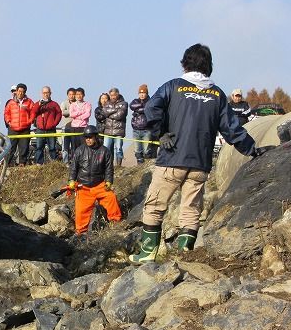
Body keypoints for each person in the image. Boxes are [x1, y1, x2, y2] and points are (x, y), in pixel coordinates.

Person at [129, 43, 269, 264]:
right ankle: (185, 254)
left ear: (185, 63)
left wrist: (160, 133)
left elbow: (150, 109)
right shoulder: (217, 94)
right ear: (209, 66)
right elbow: (232, 129)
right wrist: (253, 150)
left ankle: (147, 254)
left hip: (172, 157)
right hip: (200, 163)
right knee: (191, 209)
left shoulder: (173, 86)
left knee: (155, 205)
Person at [68, 126, 122, 234]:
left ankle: (116, 223)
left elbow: (109, 168)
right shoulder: (79, 150)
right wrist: (71, 180)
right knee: (81, 211)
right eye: (86, 137)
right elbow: (73, 167)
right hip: (83, 187)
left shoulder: (105, 151)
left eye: (90, 137)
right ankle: (81, 233)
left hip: (99, 185)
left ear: (96, 137)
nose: (88, 139)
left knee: (111, 198)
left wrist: (108, 181)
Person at [4, 83, 37, 166]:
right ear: (16, 91)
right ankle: (8, 164)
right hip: (13, 128)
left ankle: (22, 163)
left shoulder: (29, 102)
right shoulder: (11, 102)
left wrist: (30, 121)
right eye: (19, 91)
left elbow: (33, 112)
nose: (20, 93)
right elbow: (6, 113)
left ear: (25, 92)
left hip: (25, 128)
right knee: (11, 147)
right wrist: (9, 122)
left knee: (24, 147)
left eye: (22, 91)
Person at [33, 86, 62, 164]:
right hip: (40, 129)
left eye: (47, 92)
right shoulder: (37, 103)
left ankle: (54, 163)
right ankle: (39, 164)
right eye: (44, 93)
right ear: (41, 94)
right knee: (39, 147)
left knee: (52, 147)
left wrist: (54, 123)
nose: (46, 94)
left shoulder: (54, 104)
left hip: (51, 129)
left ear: (50, 93)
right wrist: (39, 105)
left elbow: (59, 114)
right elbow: (33, 112)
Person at [101, 87, 128, 166]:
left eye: (114, 95)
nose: (113, 97)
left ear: (118, 94)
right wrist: (116, 110)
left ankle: (119, 165)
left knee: (118, 148)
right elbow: (104, 112)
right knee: (106, 148)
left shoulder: (124, 103)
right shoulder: (107, 103)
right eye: (111, 95)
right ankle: (106, 165)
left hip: (119, 130)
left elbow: (121, 115)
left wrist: (110, 115)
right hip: (108, 130)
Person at [129, 84, 151, 164]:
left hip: (147, 129)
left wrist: (138, 109)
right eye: (140, 93)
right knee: (137, 150)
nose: (142, 95)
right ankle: (140, 166)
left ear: (146, 93)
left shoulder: (151, 101)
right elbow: (131, 106)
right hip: (136, 129)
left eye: (143, 93)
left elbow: (148, 109)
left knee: (146, 150)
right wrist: (142, 105)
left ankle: (147, 166)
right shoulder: (135, 101)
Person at [60, 87, 77, 162]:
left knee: (74, 145)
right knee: (65, 146)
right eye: (70, 94)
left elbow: (80, 113)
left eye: (73, 94)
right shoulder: (64, 103)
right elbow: (63, 112)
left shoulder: (78, 104)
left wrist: (69, 112)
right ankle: (65, 162)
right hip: (65, 127)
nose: (71, 96)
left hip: (75, 127)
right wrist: (73, 112)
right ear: (67, 95)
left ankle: (74, 161)